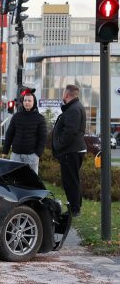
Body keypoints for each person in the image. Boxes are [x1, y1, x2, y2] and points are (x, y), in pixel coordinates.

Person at [51, 84, 86, 217]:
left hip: (71, 151)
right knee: (72, 180)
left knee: (70, 181)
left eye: (63, 93)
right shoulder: (74, 108)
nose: (62, 95)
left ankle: (74, 209)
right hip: (71, 151)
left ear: (67, 95)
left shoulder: (74, 109)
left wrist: (59, 145)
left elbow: (69, 132)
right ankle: (75, 207)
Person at [3, 90, 48, 174]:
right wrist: (5, 151)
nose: (27, 102)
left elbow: (43, 138)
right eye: (25, 100)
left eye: (29, 100)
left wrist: (37, 154)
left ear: (34, 102)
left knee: (31, 182)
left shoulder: (40, 118)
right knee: (14, 179)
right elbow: (9, 134)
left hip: (31, 156)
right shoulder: (16, 116)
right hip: (15, 155)